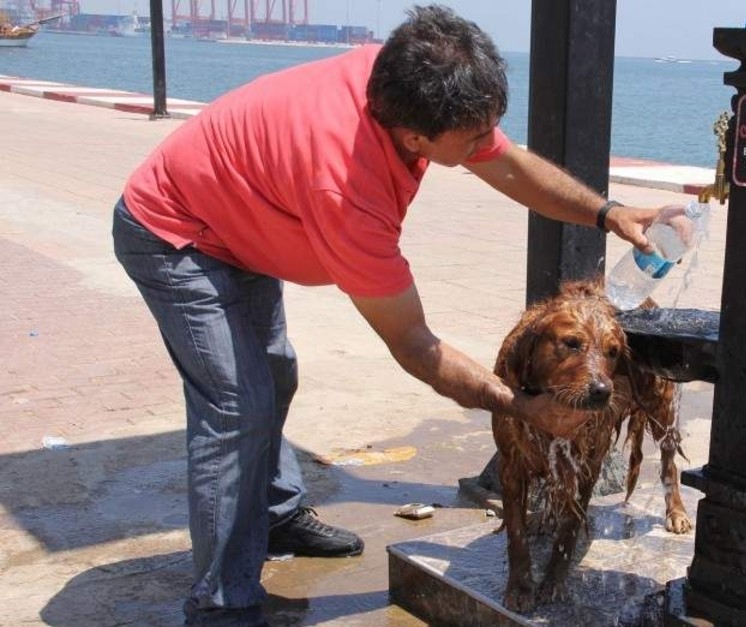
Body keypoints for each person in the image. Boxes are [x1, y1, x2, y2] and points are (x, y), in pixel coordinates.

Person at [112, 5, 664, 625]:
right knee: (239, 405)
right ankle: (222, 605)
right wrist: (518, 405)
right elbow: (414, 345)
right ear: (414, 139)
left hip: (242, 220)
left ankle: (274, 514)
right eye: (473, 139)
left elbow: (509, 166)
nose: (486, 145)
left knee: (275, 374)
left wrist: (607, 213)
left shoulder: (411, 79)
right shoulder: (348, 189)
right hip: (176, 235)